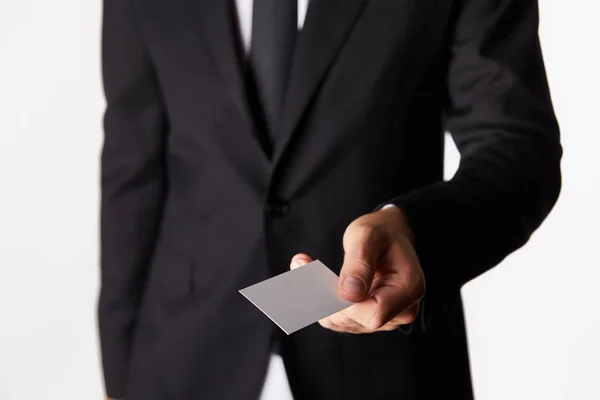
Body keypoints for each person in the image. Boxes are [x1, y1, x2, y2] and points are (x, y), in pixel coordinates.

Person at [98, 0, 562, 399]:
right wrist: (120, 371)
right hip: (182, 357)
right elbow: (133, 168)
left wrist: (416, 231)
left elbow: (516, 146)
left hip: (383, 364)